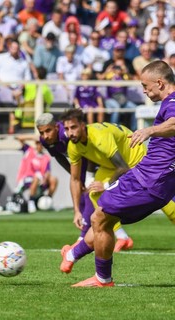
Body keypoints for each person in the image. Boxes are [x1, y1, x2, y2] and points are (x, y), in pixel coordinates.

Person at [60, 62, 175, 287]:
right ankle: (72, 255)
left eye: (145, 85)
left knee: (98, 217)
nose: (143, 90)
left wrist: (149, 130)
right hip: (155, 180)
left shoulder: (171, 102)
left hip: (148, 179)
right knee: (103, 217)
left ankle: (102, 278)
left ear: (159, 83)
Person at [35, 113, 133, 248]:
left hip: (95, 162)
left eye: (48, 131)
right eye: (42, 132)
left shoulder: (69, 134)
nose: (45, 135)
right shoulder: (45, 140)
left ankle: (83, 239)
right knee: (89, 197)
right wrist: (74, 175)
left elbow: (87, 152)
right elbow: (59, 157)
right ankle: (121, 236)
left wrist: (86, 176)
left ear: (57, 127)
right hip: (81, 164)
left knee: (89, 195)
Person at [15, 135, 58, 213]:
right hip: (27, 179)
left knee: (54, 179)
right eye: (38, 143)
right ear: (35, 144)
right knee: (36, 177)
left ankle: (47, 200)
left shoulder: (46, 157)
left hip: (40, 180)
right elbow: (19, 138)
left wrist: (46, 177)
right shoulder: (29, 151)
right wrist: (33, 138)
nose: (40, 145)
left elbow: (47, 171)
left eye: (41, 144)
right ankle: (31, 202)